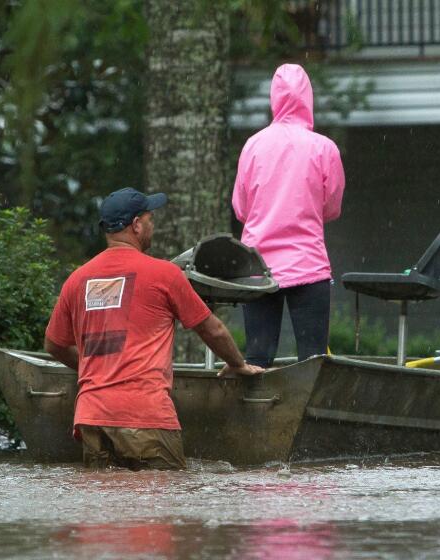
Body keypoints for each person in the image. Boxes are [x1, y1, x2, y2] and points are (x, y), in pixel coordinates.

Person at [44, 187, 263, 470]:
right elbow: (213, 330)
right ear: (136, 225)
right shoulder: (164, 274)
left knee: (102, 508)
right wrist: (238, 364)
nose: (152, 226)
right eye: (150, 219)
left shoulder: (77, 279)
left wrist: (92, 368)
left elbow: (54, 344)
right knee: (160, 504)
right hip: (145, 416)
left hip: (92, 417)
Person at [232, 63, 345, 364]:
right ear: (308, 98)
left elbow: (241, 209)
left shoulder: (252, 146)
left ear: (274, 99)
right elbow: (332, 208)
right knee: (314, 361)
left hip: (259, 268)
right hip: (308, 265)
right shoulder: (324, 148)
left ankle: (257, 411)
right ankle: (310, 412)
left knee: (257, 358)